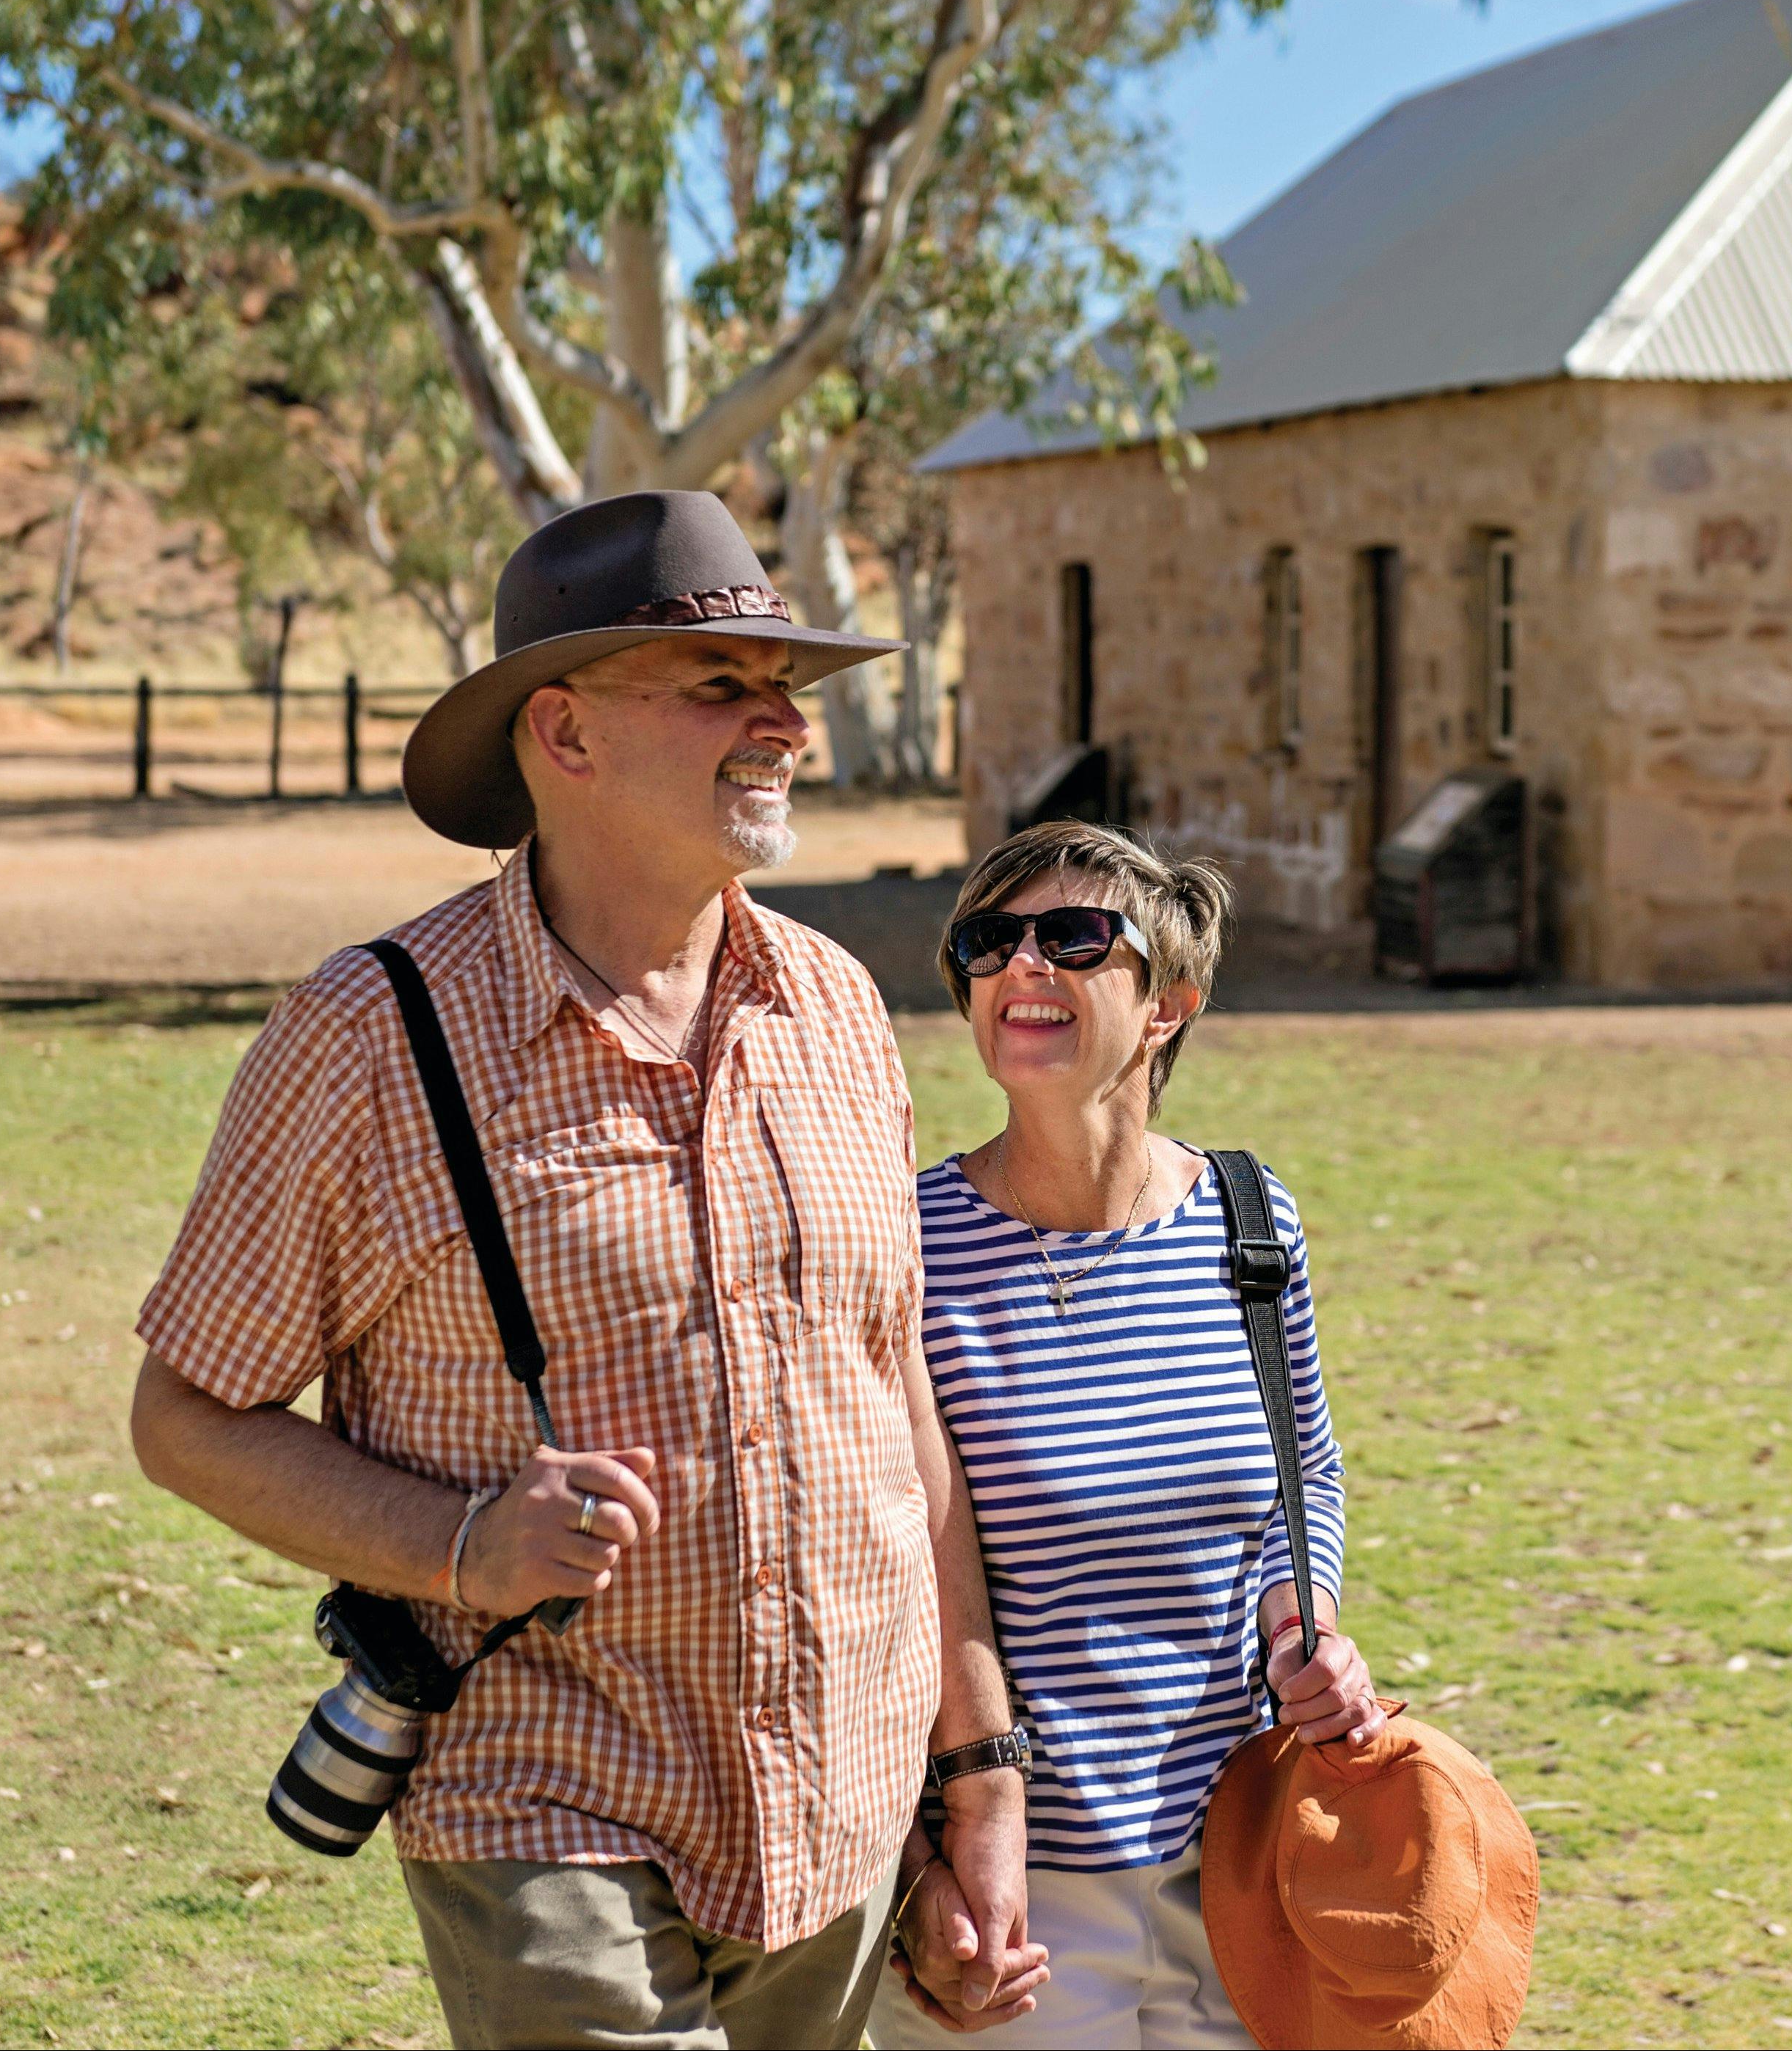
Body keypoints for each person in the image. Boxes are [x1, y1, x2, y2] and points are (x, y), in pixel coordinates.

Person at [127, 491, 1035, 2051]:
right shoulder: (370, 1037)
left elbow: (898, 1399)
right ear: (564, 733)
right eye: (719, 687)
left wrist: (976, 1773)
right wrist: (465, 1542)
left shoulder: (831, 1002)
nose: (780, 727)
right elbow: (187, 1414)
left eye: (785, 689)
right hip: (550, 1791)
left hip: (841, 1796)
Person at [875, 820, 1382, 2050]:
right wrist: (916, 1869)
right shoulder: (904, 1243)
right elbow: (883, 1573)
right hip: (1018, 1894)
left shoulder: (1252, 1219)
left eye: (1073, 938)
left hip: (1248, 1855)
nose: (1021, 967)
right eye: (987, 944)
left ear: (1168, 1002)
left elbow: (1301, 1471)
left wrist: (1298, 1614)